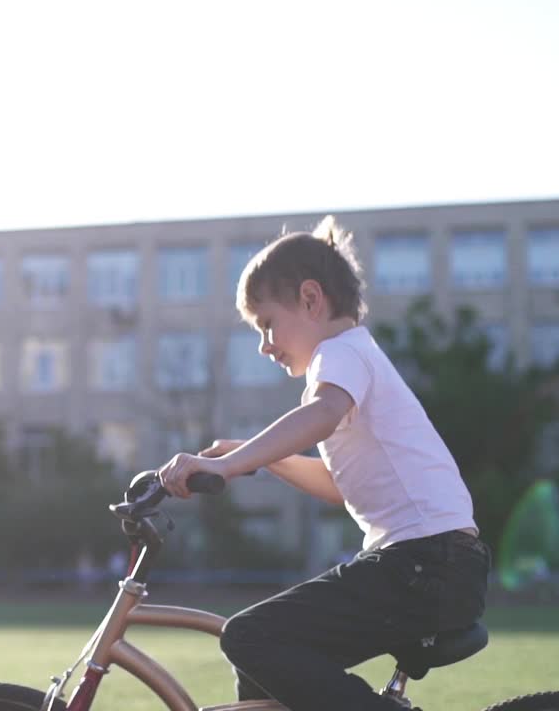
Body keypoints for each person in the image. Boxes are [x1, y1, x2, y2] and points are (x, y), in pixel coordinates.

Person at [157, 216, 491, 711]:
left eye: (266, 323)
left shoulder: (340, 354)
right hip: (438, 566)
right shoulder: (354, 360)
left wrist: (232, 466)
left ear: (311, 300)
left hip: (423, 564)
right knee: (262, 672)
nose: (264, 345)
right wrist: (254, 458)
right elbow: (340, 486)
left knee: (248, 636)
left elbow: (320, 415)